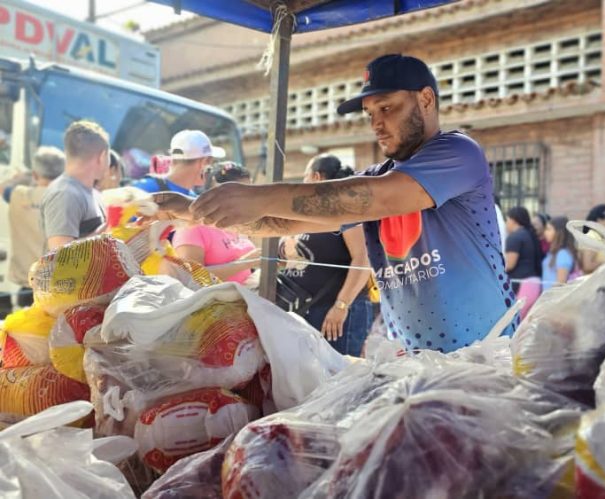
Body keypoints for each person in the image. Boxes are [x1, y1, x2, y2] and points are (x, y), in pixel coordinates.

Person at [160, 54, 515, 353]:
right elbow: (281, 224)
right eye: (369, 113)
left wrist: (257, 195)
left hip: (484, 355)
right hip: (415, 361)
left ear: (426, 99)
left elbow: (372, 198)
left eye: (387, 107)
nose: (376, 123)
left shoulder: (458, 152)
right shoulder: (378, 174)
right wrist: (189, 210)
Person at [278, 154, 373, 356]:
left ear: (316, 177)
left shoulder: (345, 210)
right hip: (305, 310)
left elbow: (363, 258)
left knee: (339, 379)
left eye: (305, 177)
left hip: (335, 313)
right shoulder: (306, 216)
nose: (303, 183)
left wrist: (341, 306)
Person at [172, 162, 260, 284]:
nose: (248, 199)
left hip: (246, 298)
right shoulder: (192, 227)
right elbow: (191, 278)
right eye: (241, 194)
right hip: (214, 302)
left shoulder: (236, 222)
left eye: (250, 193)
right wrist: (245, 263)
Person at [1, 146, 65, 306]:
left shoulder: (18, 195)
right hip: (56, 288)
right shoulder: (68, 199)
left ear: (35, 174)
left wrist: (22, 176)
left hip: (26, 285)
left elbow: (2, 187)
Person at [41, 121, 109, 251]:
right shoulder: (64, 194)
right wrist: (107, 231)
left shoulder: (92, 193)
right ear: (102, 156)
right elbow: (60, 256)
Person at [132, 130, 224, 196]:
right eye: (212, 162)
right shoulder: (144, 191)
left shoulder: (141, 189)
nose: (211, 169)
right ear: (204, 162)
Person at [504, 206, 542, 318]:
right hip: (533, 284)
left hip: (522, 285)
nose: (506, 223)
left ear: (513, 220)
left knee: (515, 323)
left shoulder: (514, 237)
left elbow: (509, 265)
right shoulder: (529, 234)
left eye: (507, 220)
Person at [541, 216, 577, 292]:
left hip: (553, 298)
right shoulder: (554, 253)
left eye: (548, 229)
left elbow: (560, 283)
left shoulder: (562, 254)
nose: (545, 232)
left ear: (559, 232)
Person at [579, 203, 605, 275]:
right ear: (599, 221)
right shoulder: (592, 237)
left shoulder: (601, 238)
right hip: (593, 283)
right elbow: (587, 265)